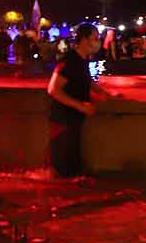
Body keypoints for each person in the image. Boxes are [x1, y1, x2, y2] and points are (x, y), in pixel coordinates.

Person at [47, 23, 114, 178]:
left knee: (72, 167)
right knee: (63, 169)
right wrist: (81, 106)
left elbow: (85, 80)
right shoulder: (70, 61)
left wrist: (102, 92)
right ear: (84, 40)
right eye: (95, 38)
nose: (98, 42)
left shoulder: (81, 60)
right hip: (63, 122)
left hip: (73, 121)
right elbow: (53, 89)